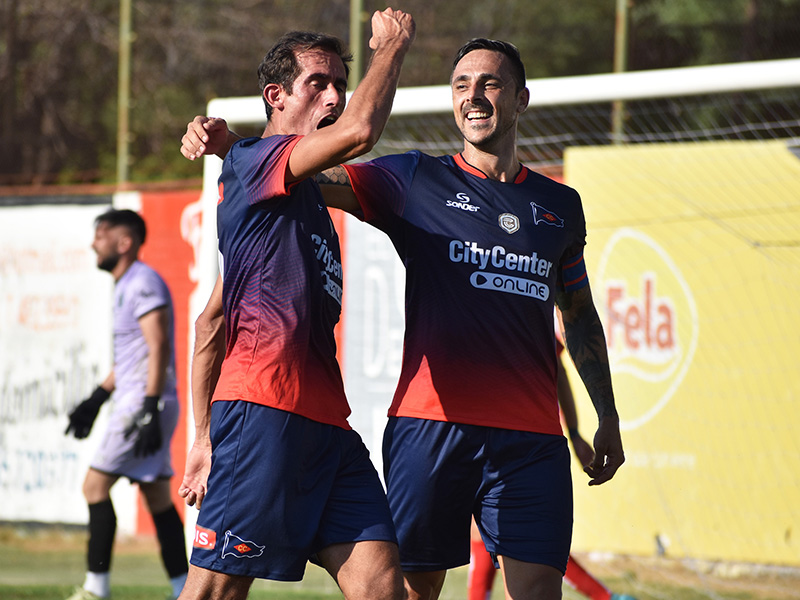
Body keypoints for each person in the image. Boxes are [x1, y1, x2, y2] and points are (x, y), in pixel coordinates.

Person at [182, 37, 624, 600]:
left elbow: (579, 314)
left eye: (490, 83)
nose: (474, 96)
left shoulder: (560, 206)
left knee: (411, 586)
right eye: (461, 85)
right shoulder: (414, 178)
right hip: (423, 427)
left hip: (521, 435)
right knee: (404, 588)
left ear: (521, 99)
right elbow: (309, 164)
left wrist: (606, 413)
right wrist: (232, 147)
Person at [177, 10, 415, 600]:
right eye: (319, 83)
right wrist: (390, 47)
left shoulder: (305, 201)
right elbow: (360, 131)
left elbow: (211, 322)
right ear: (275, 96)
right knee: (215, 591)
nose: (334, 96)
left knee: (382, 585)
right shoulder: (254, 162)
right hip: (264, 413)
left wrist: (201, 436)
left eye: (341, 83)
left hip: (328, 428)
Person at [64, 209, 188, 600]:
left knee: (94, 487)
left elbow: (158, 345)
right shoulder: (125, 284)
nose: (93, 243)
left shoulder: (142, 282)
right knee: (157, 497)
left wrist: (149, 406)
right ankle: (183, 589)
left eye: (101, 235)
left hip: (143, 405)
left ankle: (95, 589)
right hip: (145, 401)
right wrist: (96, 398)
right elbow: (134, 356)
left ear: (124, 242)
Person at [467, 350, 636, 600]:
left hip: (529, 443)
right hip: (487, 437)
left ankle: (605, 596)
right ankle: (605, 596)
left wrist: (576, 432)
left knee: (531, 544)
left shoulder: (533, 326)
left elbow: (560, 369)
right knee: (496, 535)